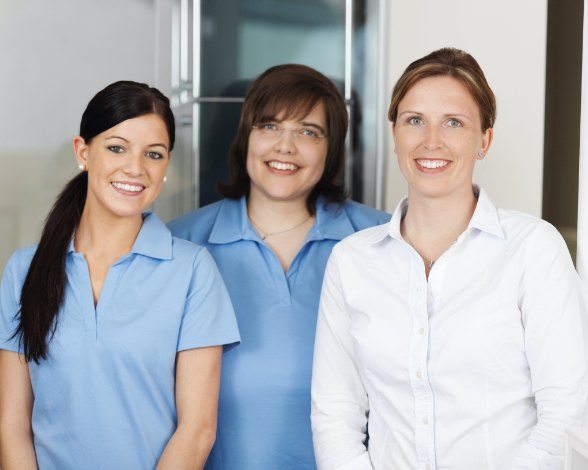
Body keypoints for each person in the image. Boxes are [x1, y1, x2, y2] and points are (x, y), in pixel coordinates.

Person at [311, 47, 588, 469]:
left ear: (484, 141)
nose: (431, 141)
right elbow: (335, 414)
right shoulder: (351, 262)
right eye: (415, 120)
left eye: (454, 123)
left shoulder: (533, 249)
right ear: (395, 133)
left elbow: (568, 413)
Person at [0, 81, 240, 470]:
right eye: (116, 147)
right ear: (83, 152)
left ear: (166, 167)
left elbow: (197, 430)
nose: (135, 168)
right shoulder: (24, 271)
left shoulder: (193, 270)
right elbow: (13, 426)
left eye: (154, 154)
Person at [168, 64, 390, 469]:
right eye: (270, 126)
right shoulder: (182, 244)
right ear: (245, 139)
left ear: (331, 149)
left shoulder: (380, 238)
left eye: (308, 132)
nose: (285, 146)